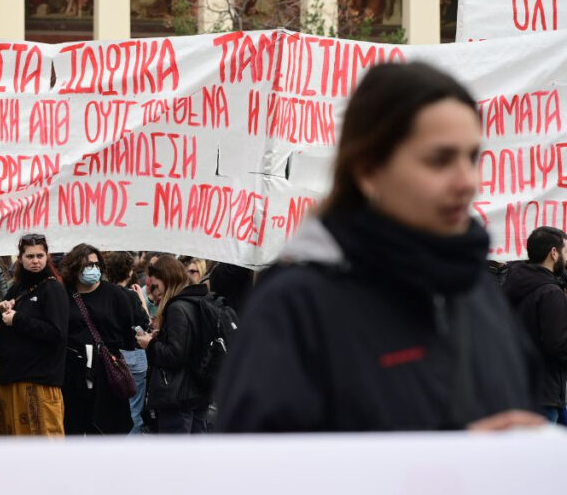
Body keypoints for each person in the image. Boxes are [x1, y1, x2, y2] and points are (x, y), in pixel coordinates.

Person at [216, 62, 540, 432]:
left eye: (472, 157)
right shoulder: (295, 307)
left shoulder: (477, 290)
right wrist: (446, 464)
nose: (468, 181)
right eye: (440, 160)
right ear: (368, 170)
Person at [0, 233, 68, 436]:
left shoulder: (53, 288)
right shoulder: (18, 288)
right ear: (20, 258)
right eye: (30, 256)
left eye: (40, 256)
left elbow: (56, 333)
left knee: (42, 448)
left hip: (39, 382)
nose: (35, 261)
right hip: (10, 379)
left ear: (47, 257)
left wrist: (18, 320)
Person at [60, 244, 134, 435]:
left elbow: (127, 331)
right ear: (75, 267)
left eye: (95, 264)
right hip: (73, 375)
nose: (92, 268)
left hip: (106, 373)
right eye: (86, 264)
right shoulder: (63, 295)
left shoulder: (115, 294)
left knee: (107, 431)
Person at [136, 255, 212, 434]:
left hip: (178, 396)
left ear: (167, 279)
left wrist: (151, 344)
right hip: (196, 393)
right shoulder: (196, 301)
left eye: (155, 286)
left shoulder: (177, 307)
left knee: (177, 459)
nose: (153, 292)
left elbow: (176, 354)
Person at [502, 226, 567, 424]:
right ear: (554, 253)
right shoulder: (550, 292)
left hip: (520, 388)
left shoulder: (510, 282)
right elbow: (557, 343)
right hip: (545, 392)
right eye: (565, 251)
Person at [103, 251, 151, 434]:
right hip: (134, 354)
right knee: (134, 410)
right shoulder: (131, 296)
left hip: (111, 355)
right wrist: (142, 302)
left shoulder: (103, 294)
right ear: (130, 272)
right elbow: (144, 324)